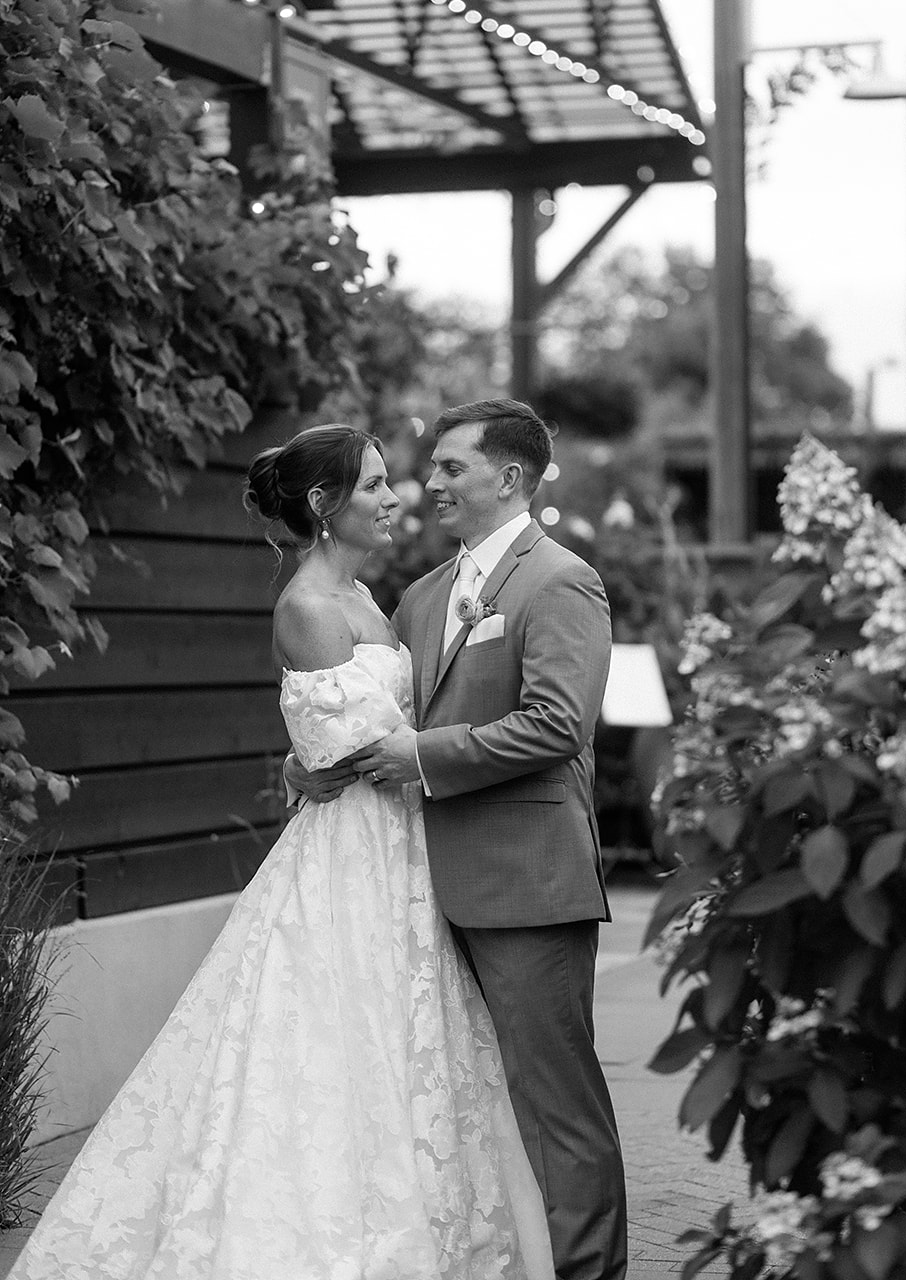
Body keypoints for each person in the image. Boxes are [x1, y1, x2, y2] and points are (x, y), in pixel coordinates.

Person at [10, 424, 554, 1280]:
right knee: (343, 1035)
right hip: (355, 857)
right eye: (372, 485)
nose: (391, 498)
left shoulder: (377, 601)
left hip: (400, 844)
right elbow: (354, 754)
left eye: (386, 481)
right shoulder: (307, 607)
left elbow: (346, 745)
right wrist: (323, 765)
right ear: (322, 504)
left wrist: (325, 761)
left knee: (410, 1040)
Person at [286, 400, 628, 1280]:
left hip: (525, 881)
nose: (426, 483)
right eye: (427, 468)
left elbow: (557, 725)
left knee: (555, 1104)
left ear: (507, 478)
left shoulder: (560, 580)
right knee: (464, 1102)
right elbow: (367, 715)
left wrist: (419, 756)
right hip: (415, 891)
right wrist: (306, 768)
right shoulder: (419, 595)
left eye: (448, 468)